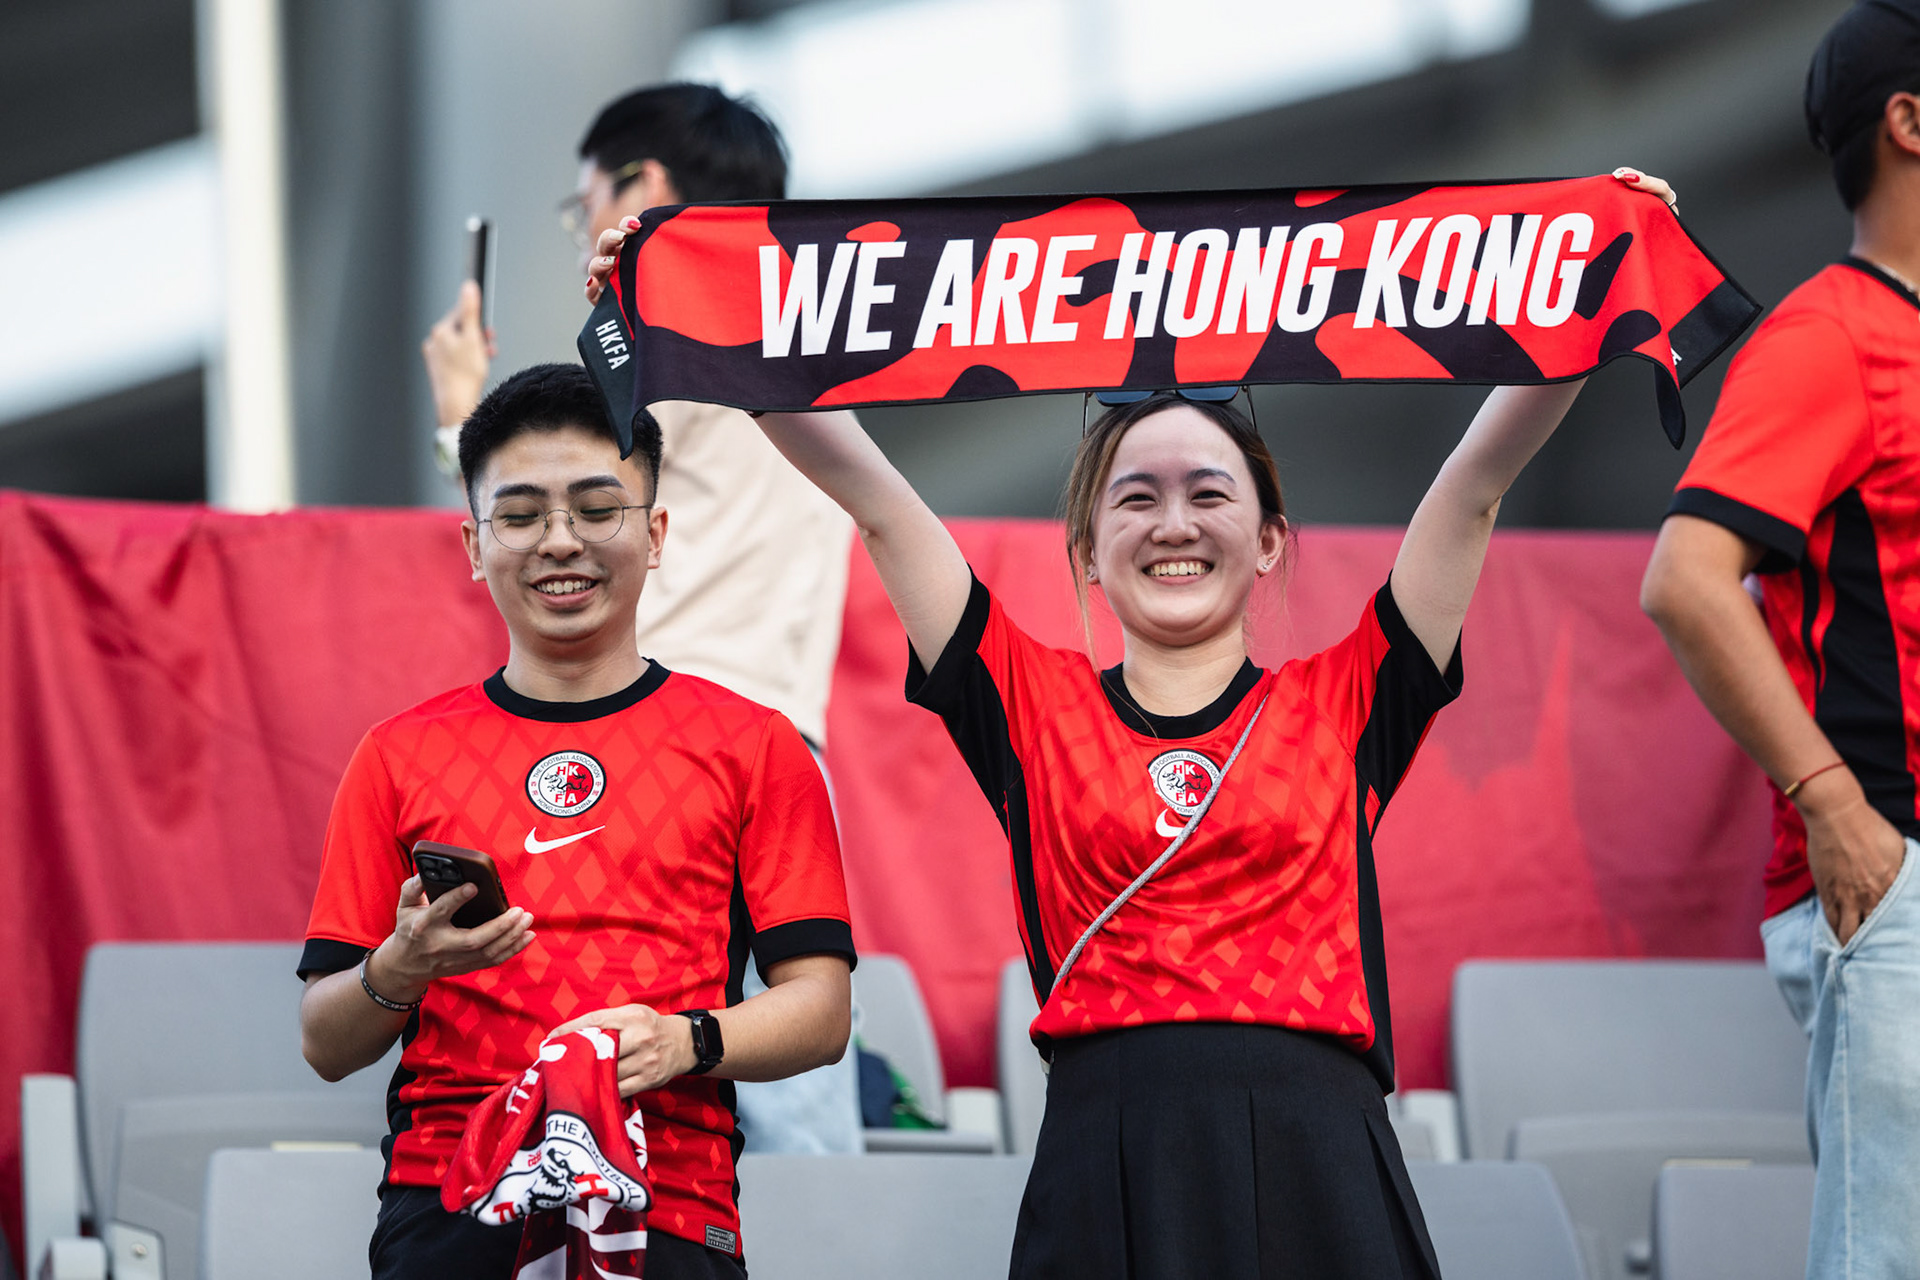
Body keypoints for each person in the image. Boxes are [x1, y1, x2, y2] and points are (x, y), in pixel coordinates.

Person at [590, 171, 1673, 1278]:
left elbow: (1476, 483)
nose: (1174, 522)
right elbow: (869, 490)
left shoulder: (1349, 694)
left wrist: (1600, 272)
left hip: (1322, 1161)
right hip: (1108, 1156)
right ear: (1088, 550)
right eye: (1136, 497)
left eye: (1210, 493)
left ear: (1267, 540)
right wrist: (690, 309)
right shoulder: (1022, 694)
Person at [297, 362, 856, 1279]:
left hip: (672, 1201)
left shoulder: (755, 746)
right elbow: (324, 1041)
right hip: (449, 1201)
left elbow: (821, 1012)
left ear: (658, 532)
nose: (562, 541)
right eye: (520, 516)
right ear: (475, 544)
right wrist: (400, 968)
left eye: (599, 509)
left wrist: (687, 1041)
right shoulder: (396, 754)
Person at [421, 82, 860, 1153]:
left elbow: (566, 488)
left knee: (611, 1050)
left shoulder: (675, 313)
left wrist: (458, 415)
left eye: (588, 210)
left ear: (644, 187)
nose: (590, 236)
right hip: (782, 733)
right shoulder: (818, 317)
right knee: (782, 1052)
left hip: (667, 730)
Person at [1640, 6, 1920, 1276]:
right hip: (1899, 871)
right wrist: (1834, 804)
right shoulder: (1833, 334)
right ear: (1908, 124)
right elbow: (1689, 580)